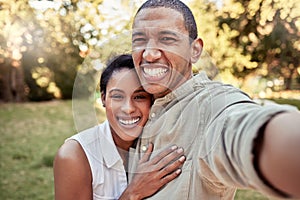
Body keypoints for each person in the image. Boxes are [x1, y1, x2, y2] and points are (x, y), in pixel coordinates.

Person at [128, 0, 300, 199]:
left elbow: (244, 129)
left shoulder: (213, 105)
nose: (149, 53)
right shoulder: (134, 109)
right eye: (139, 40)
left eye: (166, 39)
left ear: (195, 50)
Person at [53, 54, 186, 200]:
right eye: (117, 96)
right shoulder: (74, 155)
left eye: (139, 97)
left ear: (152, 101)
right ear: (103, 99)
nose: (128, 109)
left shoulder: (162, 143)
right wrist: (133, 193)